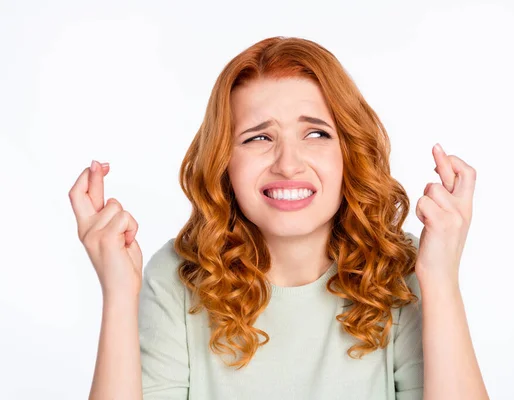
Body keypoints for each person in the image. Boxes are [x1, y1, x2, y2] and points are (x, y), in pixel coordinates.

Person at [69, 36, 489, 400]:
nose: (288, 164)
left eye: (316, 133)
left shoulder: (401, 272)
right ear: (224, 162)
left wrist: (441, 280)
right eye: (259, 137)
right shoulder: (176, 280)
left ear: (348, 151)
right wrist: (120, 296)